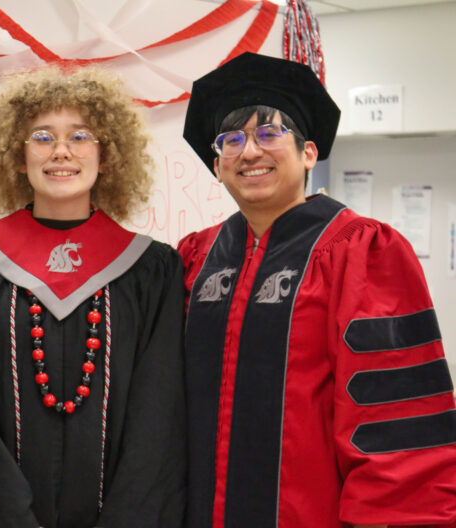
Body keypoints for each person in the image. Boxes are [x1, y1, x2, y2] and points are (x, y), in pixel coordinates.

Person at [178, 52, 456, 528]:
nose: (249, 152)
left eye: (269, 133)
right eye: (232, 140)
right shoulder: (194, 259)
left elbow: (394, 422)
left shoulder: (362, 252)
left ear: (308, 153)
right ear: (218, 165)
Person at [0, 66, 186, 528]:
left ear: (107, 156)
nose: (62, 151)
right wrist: (7, 515)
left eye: (81, 136)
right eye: (42, 137)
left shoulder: (151, 270)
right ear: (17, 156)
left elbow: (159, 413)